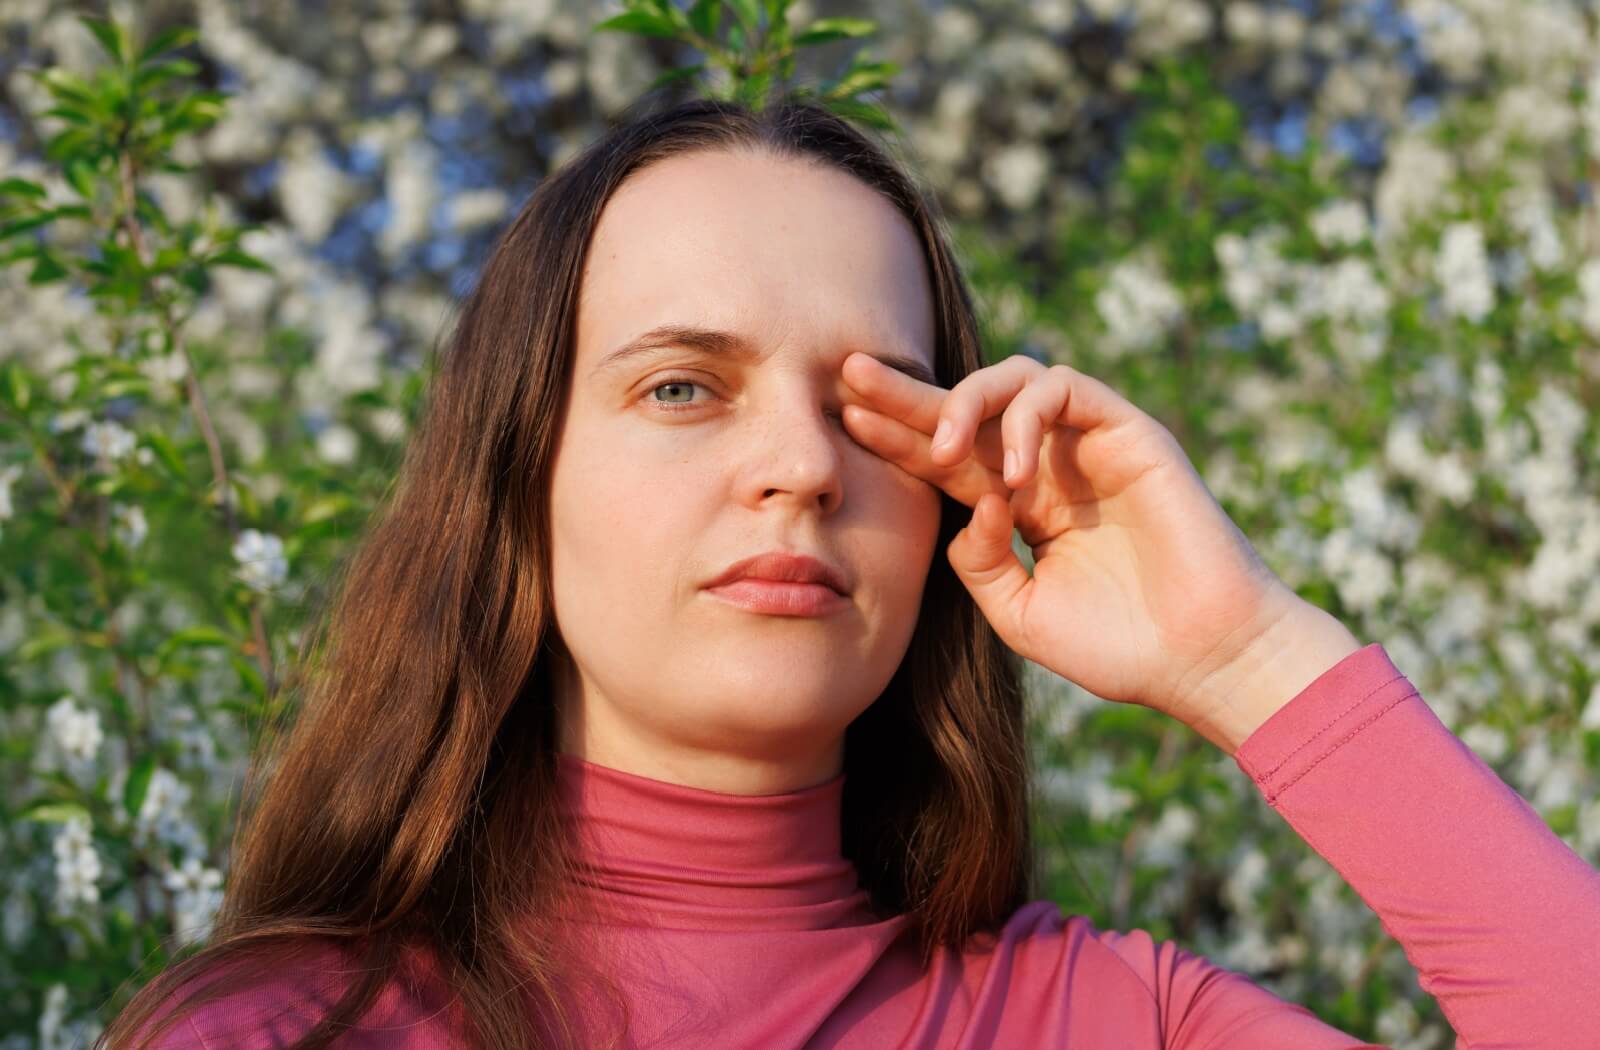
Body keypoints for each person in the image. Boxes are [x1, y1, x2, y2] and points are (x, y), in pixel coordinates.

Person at [102, 96, 1600, 1050]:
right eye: (685, 387)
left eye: (877, 401)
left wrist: (1248, 657)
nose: (805, 465)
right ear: (516, 477)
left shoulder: (1105, 1020)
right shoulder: (282, 1033)